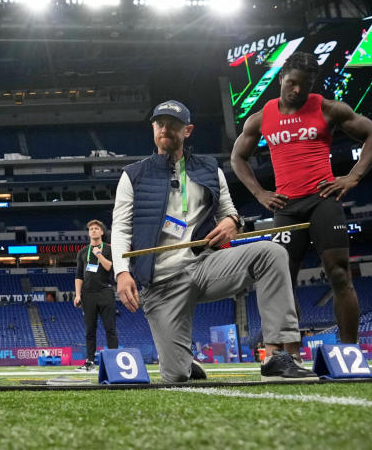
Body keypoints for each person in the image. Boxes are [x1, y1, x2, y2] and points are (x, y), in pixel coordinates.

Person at [112, 100, 315, 383]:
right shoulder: (133, 175)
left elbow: (229, 212)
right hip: (161, 283)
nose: (165, 129)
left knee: (271, 253)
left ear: (188, 131)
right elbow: (120, 228)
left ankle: (275, 354)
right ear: (153, 128)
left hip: (205, 266)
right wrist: (122, 272)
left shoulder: (210, 169)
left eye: (173, 124)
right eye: (160, 123)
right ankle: (184, 359)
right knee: (175, 375)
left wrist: (233, 222)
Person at [230, 51, 372, 349]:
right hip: (286, 208)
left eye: (305, 84)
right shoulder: (261, 117)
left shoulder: (329, 109)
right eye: (291, 83)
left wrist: (353, 176)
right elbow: (237, 157)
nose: (297, 90)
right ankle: (291, 356)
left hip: (322, 200)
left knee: (339, 274)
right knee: (283, 283)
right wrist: (259, 193)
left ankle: (349, 351)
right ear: (280, 79)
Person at [73, 219, 118, 371]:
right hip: (88, 294)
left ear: (102, 232)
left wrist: (99, 255)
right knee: (89, 330)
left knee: (110, 328)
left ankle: (114, 360)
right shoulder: (82, 252)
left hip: (105, 292)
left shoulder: (109, 249)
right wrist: (78, 295)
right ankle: (90, 361)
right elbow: (79, 275)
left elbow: (109, 267)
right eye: (91, 228)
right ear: (89, 232)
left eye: (96, 228)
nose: (93, 230)